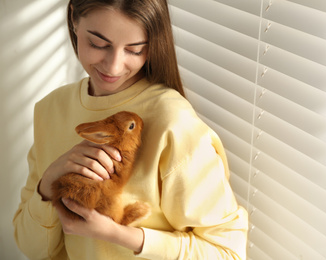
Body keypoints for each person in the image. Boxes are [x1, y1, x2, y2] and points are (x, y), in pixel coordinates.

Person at [13, 0, 248, 259]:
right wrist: (48, 183)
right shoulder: (50, 110)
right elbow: (31, 247)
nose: (114, 67)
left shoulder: (173, 123)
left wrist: (116, 234)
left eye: (135, 50)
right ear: (74, 20)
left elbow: (226, 252)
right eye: (98, 44)